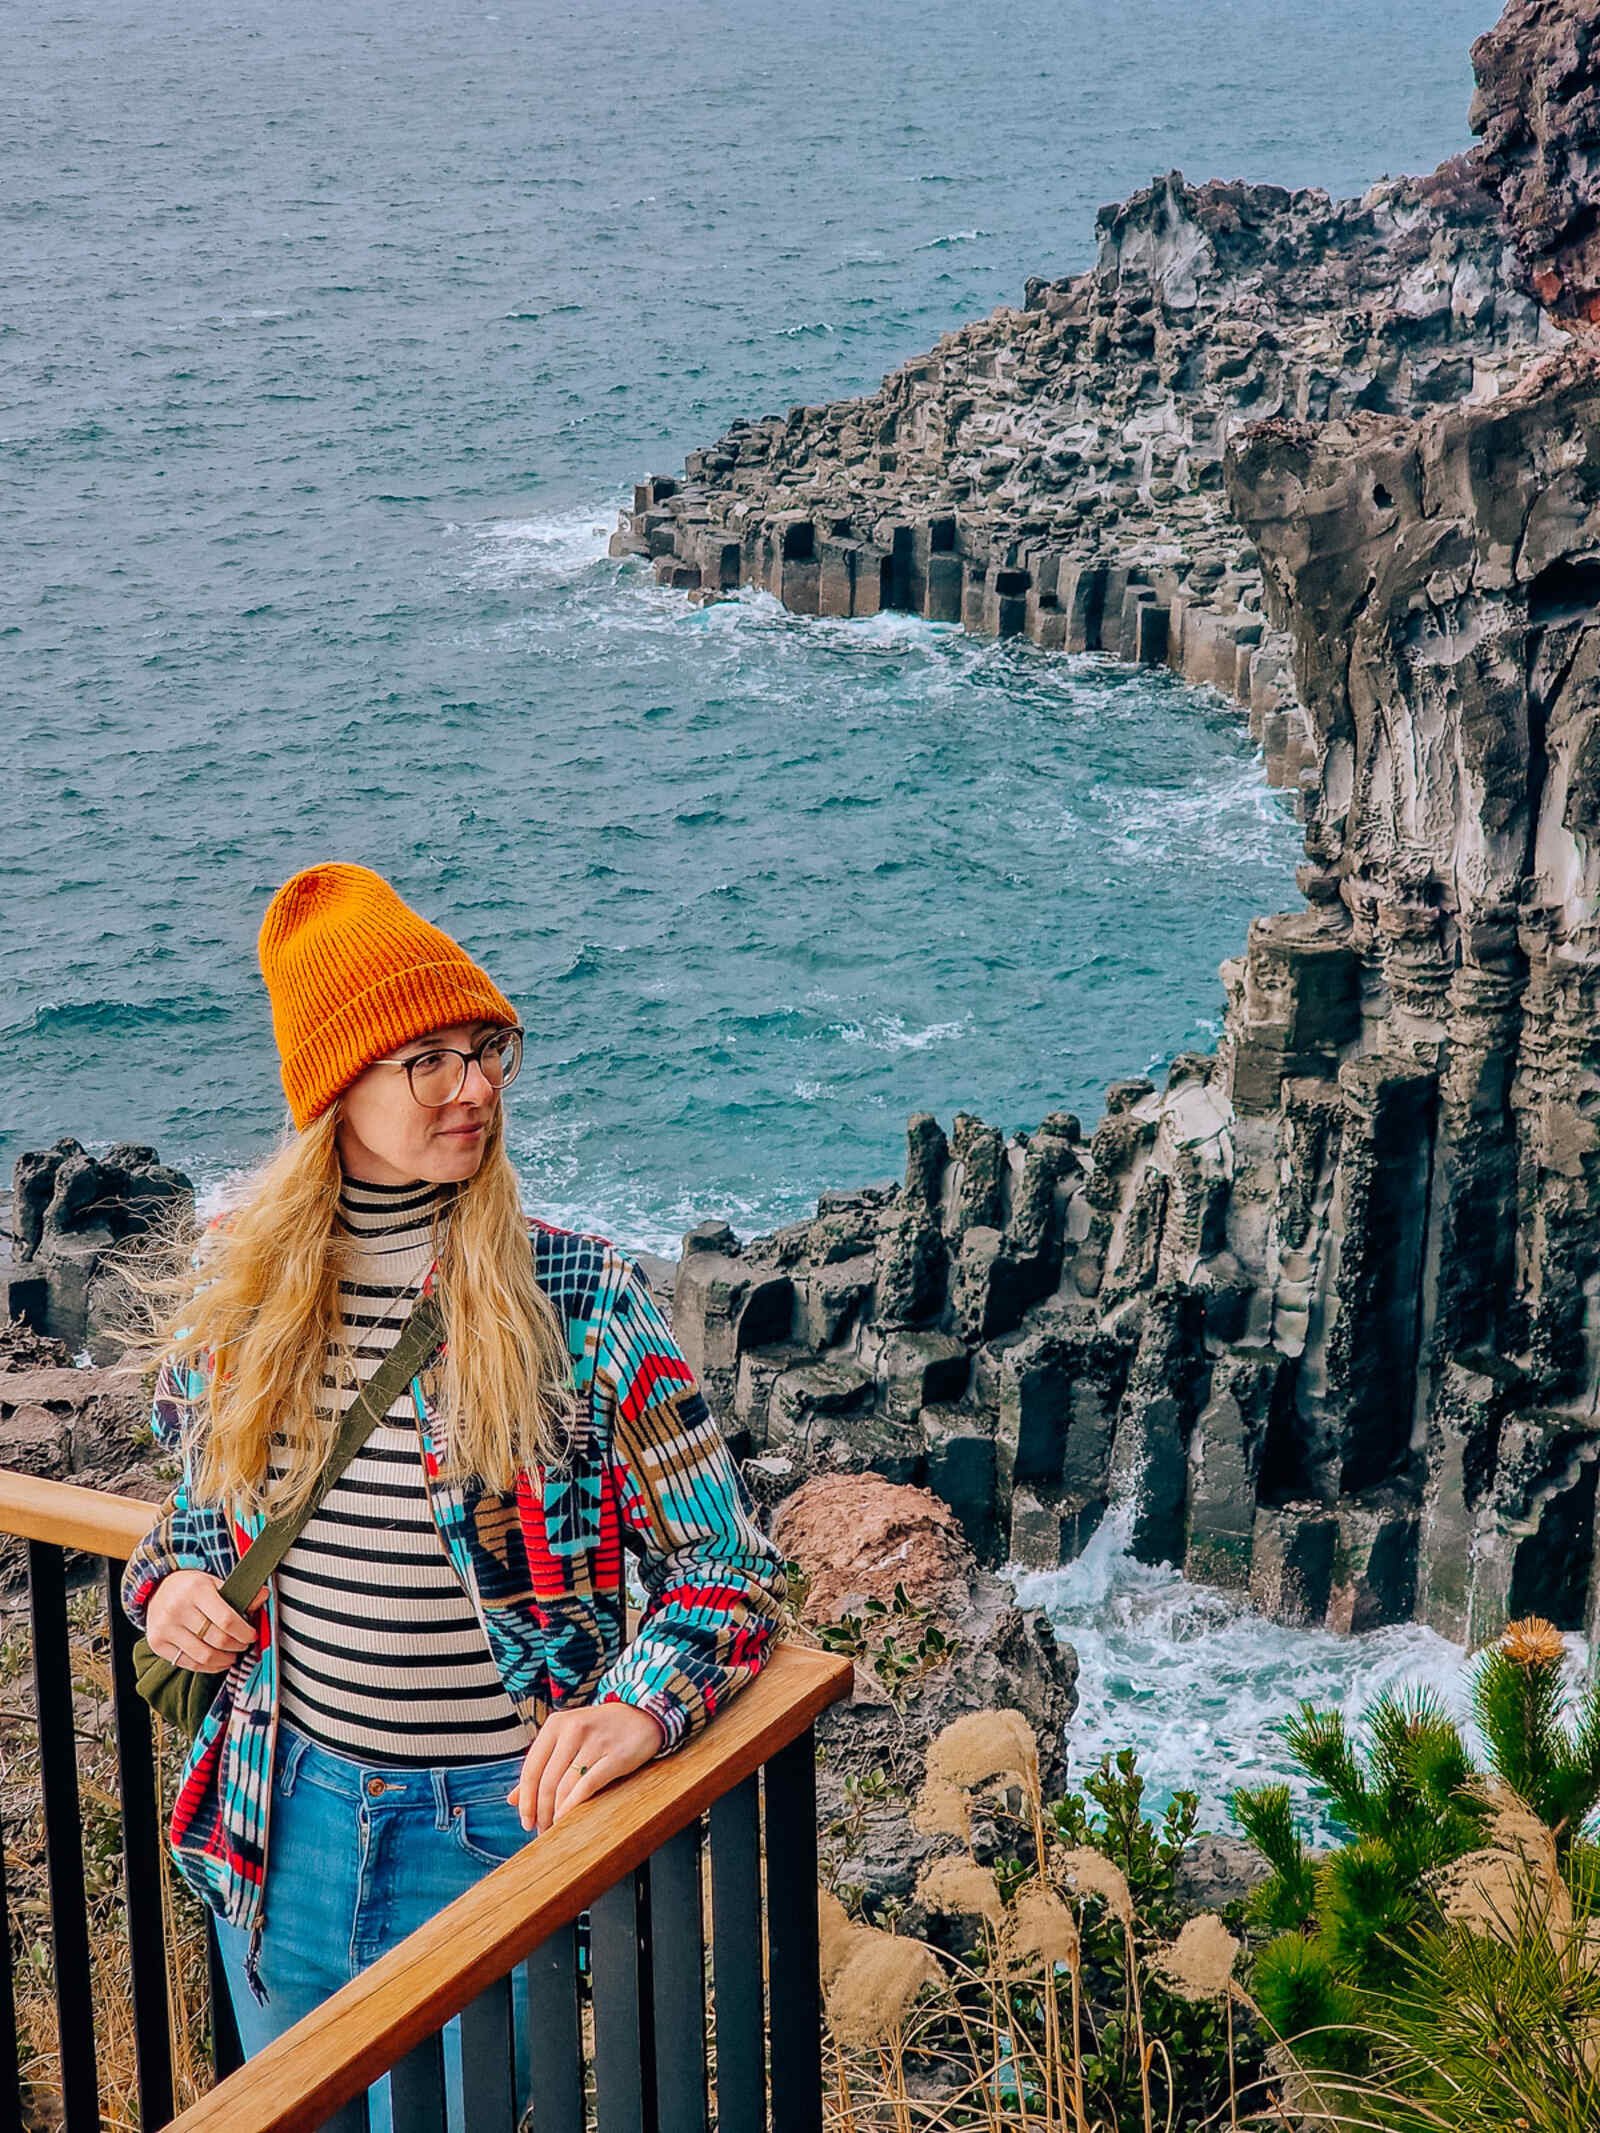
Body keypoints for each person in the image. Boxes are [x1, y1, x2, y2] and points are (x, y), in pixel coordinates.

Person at [116, 860, 789, 2133]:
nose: (471, 1086)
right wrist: (173, 1594)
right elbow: (191, 1526)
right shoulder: (242, 1302)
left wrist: (640, 1711)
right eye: (423, 1058)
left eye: (485, 1050)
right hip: (279, 1820)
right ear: (336, 1086)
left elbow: (726, 1574)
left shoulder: (578, 1298)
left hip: (490, 1834)